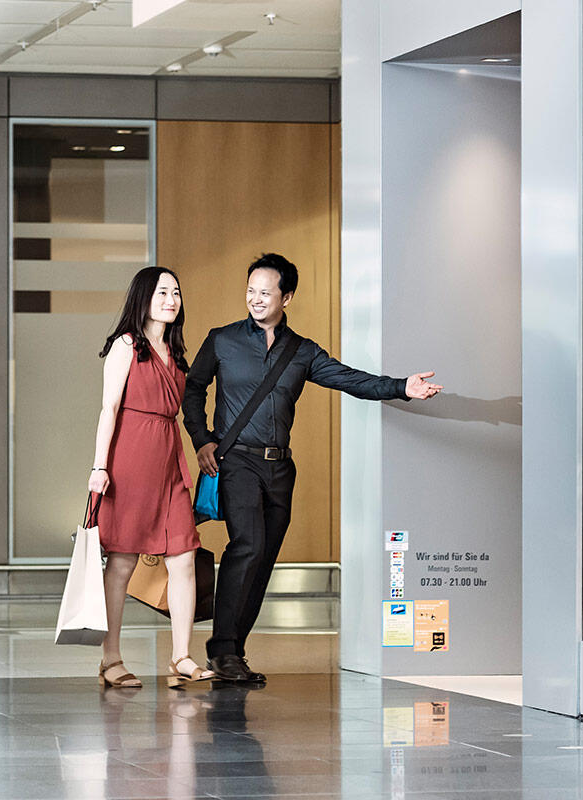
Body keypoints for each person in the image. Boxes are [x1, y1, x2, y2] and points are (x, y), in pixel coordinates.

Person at [184, 253, 442, 683]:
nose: (256, 299)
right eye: (250, 291)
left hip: (279, 470)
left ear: (287, 296)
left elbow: (349, 379)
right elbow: (193, 389)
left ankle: (234, 652)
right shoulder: (222, 340)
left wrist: (401, 387)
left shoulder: (301, 351)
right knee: (245, 546)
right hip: (237, 463)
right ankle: (222, 650)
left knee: (262, 559)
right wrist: (202, 438)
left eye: (265, 292)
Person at [89, 266, 215, 689]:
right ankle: (111, 659)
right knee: (122, 560)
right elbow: (108, 409)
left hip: (168, 457)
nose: (171, 299)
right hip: (131, 459)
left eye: (176, 292)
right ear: (143, 297)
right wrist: (99, 466)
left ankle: (180, 656)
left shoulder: (176, 354)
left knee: (183, 556)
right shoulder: (127, 345)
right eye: (162, 292)